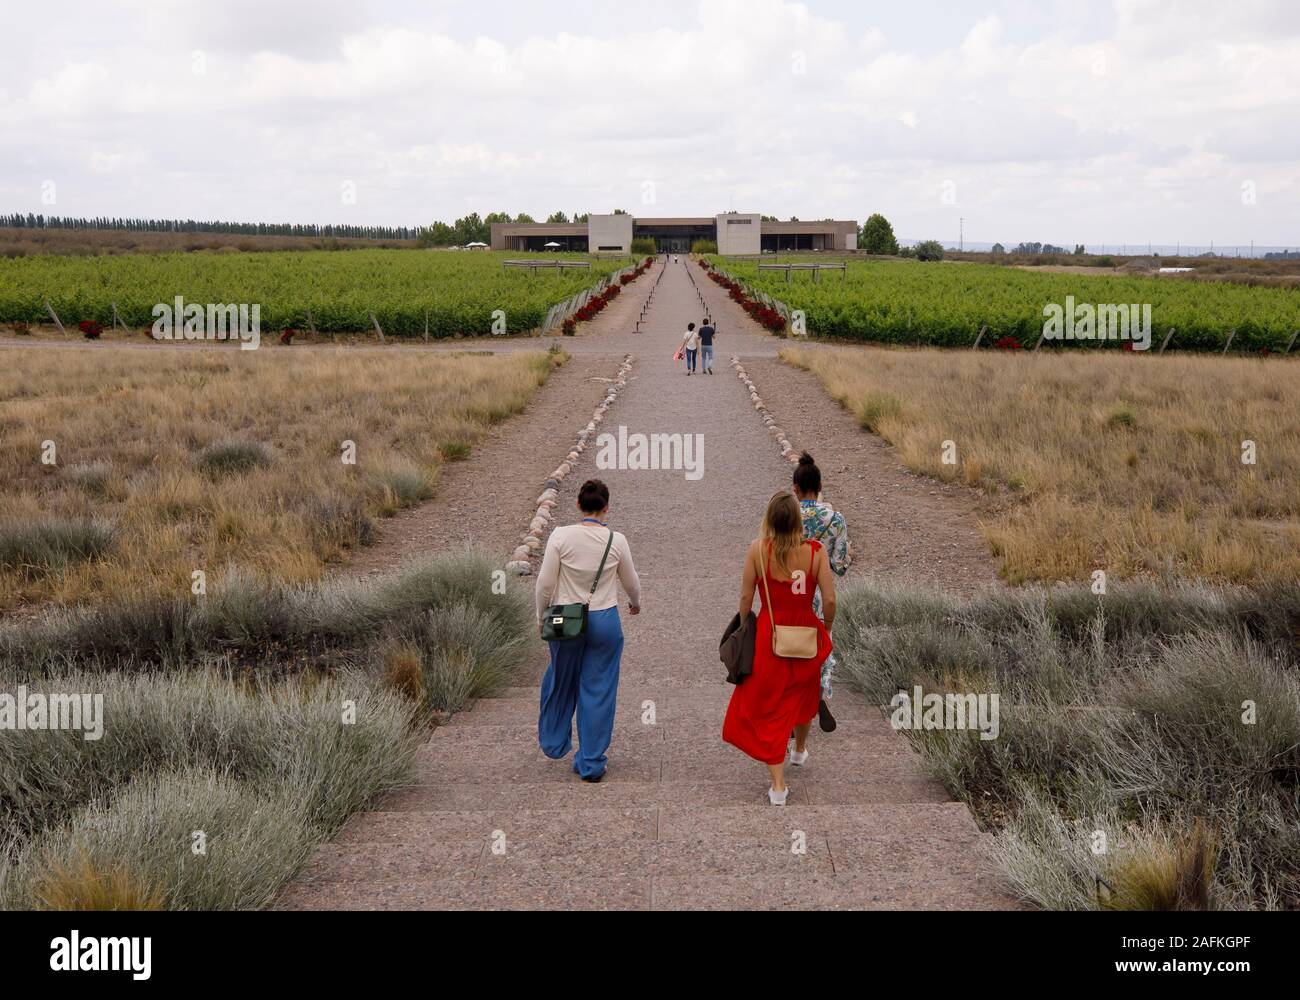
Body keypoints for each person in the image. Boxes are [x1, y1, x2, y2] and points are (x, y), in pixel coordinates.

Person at [722, 492, 835, 805]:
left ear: (770, 519)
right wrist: (826, 627)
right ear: (798, 520)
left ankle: (779, 786)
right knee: (804, 693)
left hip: (771, 636)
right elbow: (829, 600)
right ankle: (798, 750)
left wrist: (745, 626)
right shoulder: (815, 552)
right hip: (806, 635)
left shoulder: (759, 550)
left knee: (771, 706)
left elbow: (746, 598)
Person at [535, 479, 641, 783]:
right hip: (604, 619)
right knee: (598, 690)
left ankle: (554, 741)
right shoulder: (616, 541)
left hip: (564, 620)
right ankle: (592, 762)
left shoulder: (560, 536)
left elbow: (544, 584)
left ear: (578, 505)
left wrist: (540, 615)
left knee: (559, 678)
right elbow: (631, 582)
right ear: (606, 508)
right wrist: (635, 603)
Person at [792, 453, 851, 732]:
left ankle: (791, 706)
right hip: (820, 593)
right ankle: (816, 695)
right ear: (820, 486)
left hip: (792, 591)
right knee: (820, 649)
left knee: (789, 649)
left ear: (795, 488)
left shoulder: (787, 516)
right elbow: (839, 567)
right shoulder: (836, 520)